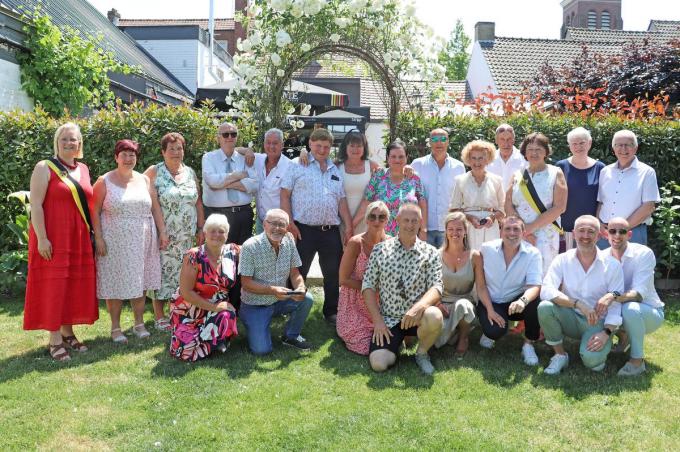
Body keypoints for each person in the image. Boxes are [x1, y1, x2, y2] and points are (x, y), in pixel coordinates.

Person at [24, 122, 99, 361]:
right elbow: (36, 205)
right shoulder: (44, 167)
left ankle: (68, 333)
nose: (69, 143)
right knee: (54, 287)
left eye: (73, 139)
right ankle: (55, 339)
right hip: (53, 238)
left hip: (78, 238)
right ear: (57, 142)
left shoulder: (84, 169)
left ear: (80, 144)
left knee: (72, 285)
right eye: (64, 139)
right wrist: (42, 238)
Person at [92, 139, 168, 343]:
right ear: (116, 157)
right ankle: (115, 328)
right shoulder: (104, 181)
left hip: (143, 239)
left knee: (140, 281)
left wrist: (162, 232)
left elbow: (155, 208)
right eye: (124, 155)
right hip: (114, 240)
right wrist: (98, 237)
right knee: (115, 281)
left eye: (132, 155)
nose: (128, 158)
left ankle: (139, 323)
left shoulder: (144, 180)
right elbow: (94, 210)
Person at [281, 128, 354, 325]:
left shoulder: (334, 170)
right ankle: (292, 308)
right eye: (318, 145)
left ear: (330, 148)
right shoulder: (297, 164)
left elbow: (341, 201)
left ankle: (331, 312)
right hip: (303, 230)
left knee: (332, 273)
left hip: (330, 231)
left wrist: (348, 227)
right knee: (298, 271)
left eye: (326, 147)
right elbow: (284, 194)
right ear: (310, 144)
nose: (322, 150)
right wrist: (290, 223)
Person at [362, 204, 444, 375]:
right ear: (398, 220)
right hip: (389, 319)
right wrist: (378, 321)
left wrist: (419, 308)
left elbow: (437, 286)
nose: (410, 225)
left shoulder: (431, 252)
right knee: (378, 364)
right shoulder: (380, 250)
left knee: (435, 316)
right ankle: (396, 345)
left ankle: (422, 353)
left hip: (418, 317)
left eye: (415, 221)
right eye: (406, 220)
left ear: (420, 222)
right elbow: (368, 286)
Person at [538, 215, 624, 374]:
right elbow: (546, 290)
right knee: (545, 307)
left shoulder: (613, 265)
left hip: (597, 322)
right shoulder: (562, 259)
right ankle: (560, 355)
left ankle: (597, 348)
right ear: (574, 233)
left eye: (591, 231)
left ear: (599, 235)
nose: (585, 236)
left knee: (593, 363)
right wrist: (577, 304)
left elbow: (616, 304)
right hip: (570, 316)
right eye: (581, 230)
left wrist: (606, 333)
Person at [144, 132, 205, 331]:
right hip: (164, 234)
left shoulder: (190, 172)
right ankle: (159, 315)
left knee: (185, 273)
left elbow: (198, 201)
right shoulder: (154, 172)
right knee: (162, 272)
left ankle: (181, 311)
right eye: (171, 149)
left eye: (179, 148)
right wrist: (160, 230)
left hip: (187, 236)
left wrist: (201, 227)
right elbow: (144, 198)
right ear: (163, 152)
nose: (176, 152)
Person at [239, 209, 314, 354]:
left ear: (287, 228)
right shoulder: (250, 246)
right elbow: (246, 283)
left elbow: (294, 273)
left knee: (307, 299)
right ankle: (253, 324)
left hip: (280, 300)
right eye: (273, 223)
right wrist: (272, 290)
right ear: (264, 224)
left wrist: (300, 287)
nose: (277, 228)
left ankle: (291, 336)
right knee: (261, 350)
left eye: (282, 224)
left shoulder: (289, 240)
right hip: (255, 305)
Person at [169, 214, 239, 361]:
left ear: (227, 234)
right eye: (212, 231)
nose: (217, 235)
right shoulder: (193, 255)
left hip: (218, 305)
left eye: (221, 231)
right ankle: (207, 340)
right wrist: (214, 307)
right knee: (184, 353)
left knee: (227, 314)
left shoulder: (233, 251)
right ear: (205, 233)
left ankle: (217, 340)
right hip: (190, 307)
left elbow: (255, 247)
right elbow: (186, 292)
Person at [475, 216, 543, 365]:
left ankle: (528, 344)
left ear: (523, 233)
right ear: (501, 232)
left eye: (516, 229)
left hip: (515, 303)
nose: (512, 233)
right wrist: (490, 310)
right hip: (491, 302)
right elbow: (481, 286)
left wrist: (523, 301)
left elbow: (535, 285)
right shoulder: (486, 249)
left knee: (536, 301)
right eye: (507, 229)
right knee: (494, 332)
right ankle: (490, 332)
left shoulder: (533, 253)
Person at [605, 217, 664, 376]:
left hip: (649, 312)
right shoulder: (602, 256)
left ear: (629, 234)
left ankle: (637, 362)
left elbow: (638, 294)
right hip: (621, 308)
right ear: (606, 234)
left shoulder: (643, 253)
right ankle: (623, 339)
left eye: (622, 231)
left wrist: (611, 297)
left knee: (629, 308)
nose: (617, 235)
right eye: (612, 231)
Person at [506, 132, 567, 274]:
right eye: (530, 149)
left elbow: (560, 207)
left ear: (546, 152)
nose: (534, 153)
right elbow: (508, 204)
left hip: (546, 236)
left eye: (538, 149)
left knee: (543, 274)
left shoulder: (556, 173)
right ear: (524, 152)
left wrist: (529, 229)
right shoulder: (517, 175)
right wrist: (522, 231)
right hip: (518, 234)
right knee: (518, 274)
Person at [337, 201, 389, 355]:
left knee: (389, 342)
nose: (377, 221)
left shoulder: (391, 243)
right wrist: (370, 288)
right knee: (367, 347)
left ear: (387, 220)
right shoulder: (356, 243)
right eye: (372, 217)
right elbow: (343, 279)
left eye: (381, 217)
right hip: (355, 304)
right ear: (366, 220)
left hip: (382, 303)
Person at [597, 129, 660, 247]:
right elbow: (600, 202)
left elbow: (648, 206)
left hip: (633, 232)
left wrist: (621, 229)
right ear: (613, 148)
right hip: (605, 233)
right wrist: (598, 224)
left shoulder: (647, 172)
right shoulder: (605, 171)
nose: (623, 149)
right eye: (619, 145)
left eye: (628, 145)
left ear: (635, 148)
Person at [354, 140, 427, 238]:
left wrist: (423, 229)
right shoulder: (379, 176)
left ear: (406, 157)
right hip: (381, 236)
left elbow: (422, 203)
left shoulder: (414, 178)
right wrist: (352, 225)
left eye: (401, 156)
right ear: (388, 158)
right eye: (393, 156)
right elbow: (367, 201)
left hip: (409, 235)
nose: (397, 160)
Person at [202, 122, 258, 245]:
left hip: (244, 216)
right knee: (218, 254)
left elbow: (254, 184)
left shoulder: (245, 158)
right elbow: (212, 181)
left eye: (233, 134)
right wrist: (238, 176)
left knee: (243, 253)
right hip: (217, 215)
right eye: (225, 134)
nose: (230, 137)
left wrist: (222, 184)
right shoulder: (209, 158)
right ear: (218, 138)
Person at [433, 212, 480, 358]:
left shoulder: (475, 256)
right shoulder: (436, 255)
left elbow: (482, 287)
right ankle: (452, 332)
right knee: (436, 329)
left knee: (462, 305)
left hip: (465, 303)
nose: (455, 233)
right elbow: (429, 285)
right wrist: (437, 303)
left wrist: (490, 310)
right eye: (451, 229)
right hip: (443, 305)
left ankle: (463, 337)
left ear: (465, 231)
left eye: (459, 229)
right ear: (446, 232)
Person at [411, 128, 465, 247]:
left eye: (443, 139)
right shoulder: (417, 164)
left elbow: (461, 198)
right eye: (435, 139)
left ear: (448, 142)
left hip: (449, 229)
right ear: (429, 142)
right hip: (423, 229)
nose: (439, 142)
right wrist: (421, 228)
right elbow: (411, 195)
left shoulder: (459, 167)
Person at [449, 140, 505, 251]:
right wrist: (469, 218)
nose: (477, 162)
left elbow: (503, 208)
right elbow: (454, 209)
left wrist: (492, 217)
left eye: (481, 158)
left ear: (487, 159)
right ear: (468, 159)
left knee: (491, 258)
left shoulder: (497, 180)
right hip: (468, 228)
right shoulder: (460, 180)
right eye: (473, 158)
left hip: (490, 228)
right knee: (470, 258)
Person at [555, 127, 605, 251]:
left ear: (589, 143)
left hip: (591, 230)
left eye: (582, 143)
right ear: (569, 146)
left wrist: (598, 223)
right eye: (574, 144)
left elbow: (603, 200)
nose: (578, 147)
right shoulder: (560, 166)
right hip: (565, 228)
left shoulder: (601, 168)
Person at [336, 130, 380, 235]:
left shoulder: (373, 166)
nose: (355, 149)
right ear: (345, 147)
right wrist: (303, 152)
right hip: (341, 223)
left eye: (359, 146)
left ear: (364, 148)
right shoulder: (336, 166)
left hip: (367, 222)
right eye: (352, 146)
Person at [252, 128, 293, 234]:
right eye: (268, 142)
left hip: (279, 224)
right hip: (261, 222)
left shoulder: (289, 166)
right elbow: (237, 150)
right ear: (264, 144)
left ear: (282, 145)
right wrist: (248, 151)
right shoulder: (258, 159)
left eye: (275, 143)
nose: (271, 146)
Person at [487, 124, 527, 192]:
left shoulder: (524, 159)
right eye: (502, 139)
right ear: (496, 141)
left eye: (509, 139)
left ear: (514, 140)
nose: (506, 144)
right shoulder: (488, 160)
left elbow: (527, 184)